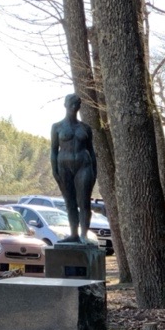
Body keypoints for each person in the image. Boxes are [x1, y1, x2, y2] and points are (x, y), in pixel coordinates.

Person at [50, 93, 97, 242]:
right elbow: (53, 151)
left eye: (76, 104)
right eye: (71, 104)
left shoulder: (85, 128)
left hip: (83, 166)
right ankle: (73, 234)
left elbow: (91, 151)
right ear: (65, 105)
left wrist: (94, 172)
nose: (74, 107)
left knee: (84, 202)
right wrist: (54, 170)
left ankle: (83, 234)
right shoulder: (57, 127)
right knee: (70, 202)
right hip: (64, 166)